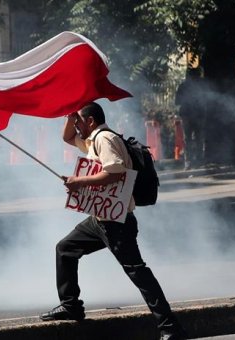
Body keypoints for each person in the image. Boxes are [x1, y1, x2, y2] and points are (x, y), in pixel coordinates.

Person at [40, 102, 188, 340]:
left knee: (138, 272)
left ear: (90, 121)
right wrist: (69, 116)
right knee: (65, 249)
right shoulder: (92, 139)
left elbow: (115, 172)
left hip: (116, 222)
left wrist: (79, 182)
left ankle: (170, 327)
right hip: (100, 220)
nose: (76, 126)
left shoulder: (104, 139)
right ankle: (71, 306)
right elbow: (67, 138)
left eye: (78, 120)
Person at [175, 68, 206, 169]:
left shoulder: (183, 86)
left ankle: (189, 162)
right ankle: (198, 161)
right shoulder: (200, 86)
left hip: (189, 115)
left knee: (189, 139)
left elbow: (177, 102)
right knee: (198, 138)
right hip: (195, 115)